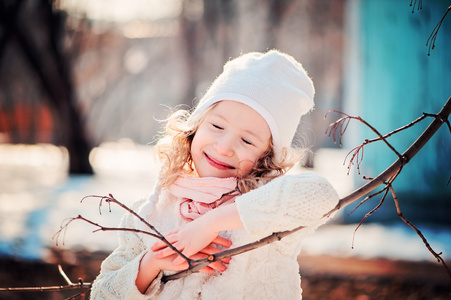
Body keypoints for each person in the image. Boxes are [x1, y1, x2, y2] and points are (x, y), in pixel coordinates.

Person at [90, 50, 339, 299]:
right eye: (217, 126)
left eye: (247, 140)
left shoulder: (269, 212)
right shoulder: (148, 214)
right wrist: (151, 262)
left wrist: (211, 223)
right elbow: (102, 294)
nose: (223, 147)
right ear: (195, 127)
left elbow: (321, 195)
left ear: (267, 156)